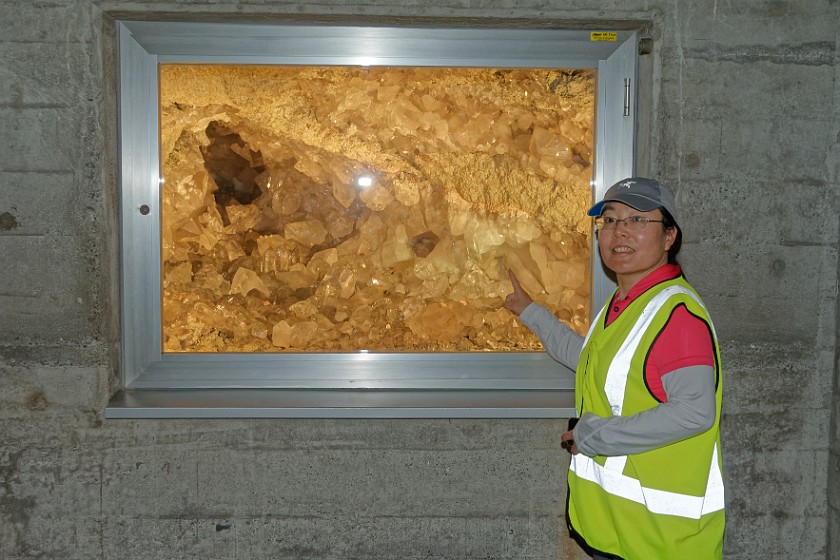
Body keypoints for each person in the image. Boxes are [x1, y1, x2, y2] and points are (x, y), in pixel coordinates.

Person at [503, 177, 724, 560]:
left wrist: (591, 436)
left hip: (662, 541)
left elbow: (694, 412)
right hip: (618, 531)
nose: (620, 231)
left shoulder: (678, 315)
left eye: (638, 220)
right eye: (610, 220)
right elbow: (590, 359)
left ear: (669, 236)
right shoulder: (627, 303)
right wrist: (531, 313)